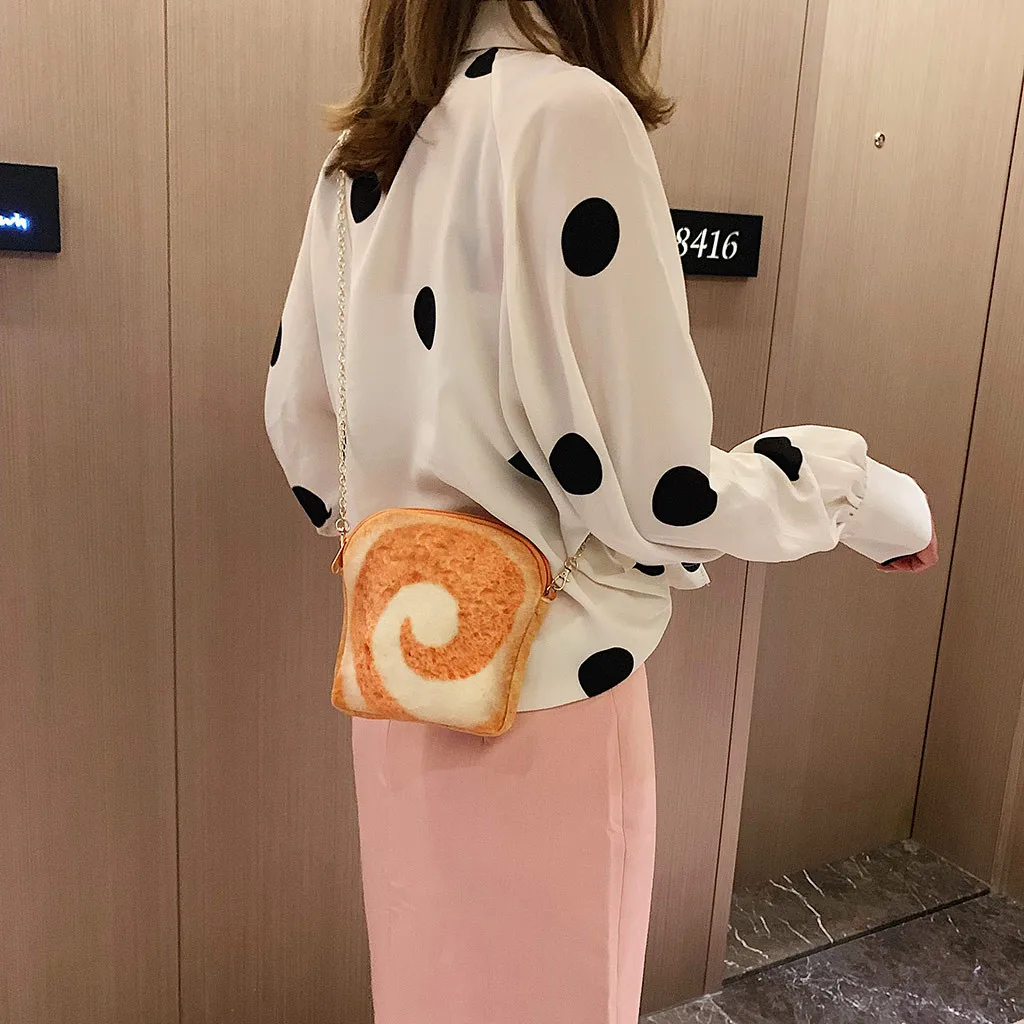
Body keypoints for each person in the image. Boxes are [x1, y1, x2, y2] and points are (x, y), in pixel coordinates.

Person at [263, 1, 939, 1020]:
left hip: (401, 677)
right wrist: (858, 495)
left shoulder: (367, 151)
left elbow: (307, 443)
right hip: (546, 692)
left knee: (427, 991)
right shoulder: (569, 118)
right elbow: (661, 493)